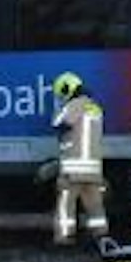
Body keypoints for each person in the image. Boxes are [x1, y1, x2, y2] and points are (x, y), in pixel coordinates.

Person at [49, 72, 111, 250]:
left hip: (72, 168)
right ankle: (100, 235)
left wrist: (59, 109)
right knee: (95, 205)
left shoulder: (73, 106)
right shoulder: (95, 108)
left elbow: (58, 123)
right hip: (93, 168)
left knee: (66, 204)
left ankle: (64, 237)